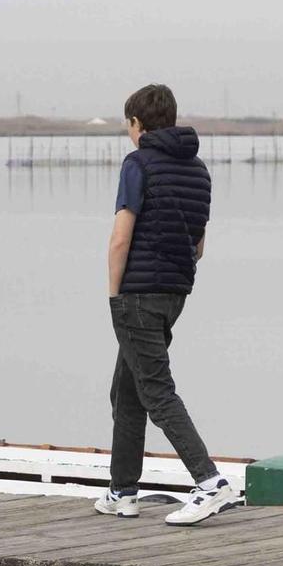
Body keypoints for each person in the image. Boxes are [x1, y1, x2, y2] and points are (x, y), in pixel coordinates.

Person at [94, 83, 238, 525]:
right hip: (175, 293)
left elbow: (121, 238)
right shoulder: (197, 169)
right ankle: (123, 491)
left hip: (136, 294)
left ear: (138, 124)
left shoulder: (137, 164)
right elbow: (198, 246)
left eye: (128, 126)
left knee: (156, 391)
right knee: (128, 389)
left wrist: (114, 295)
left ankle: (210, 482)